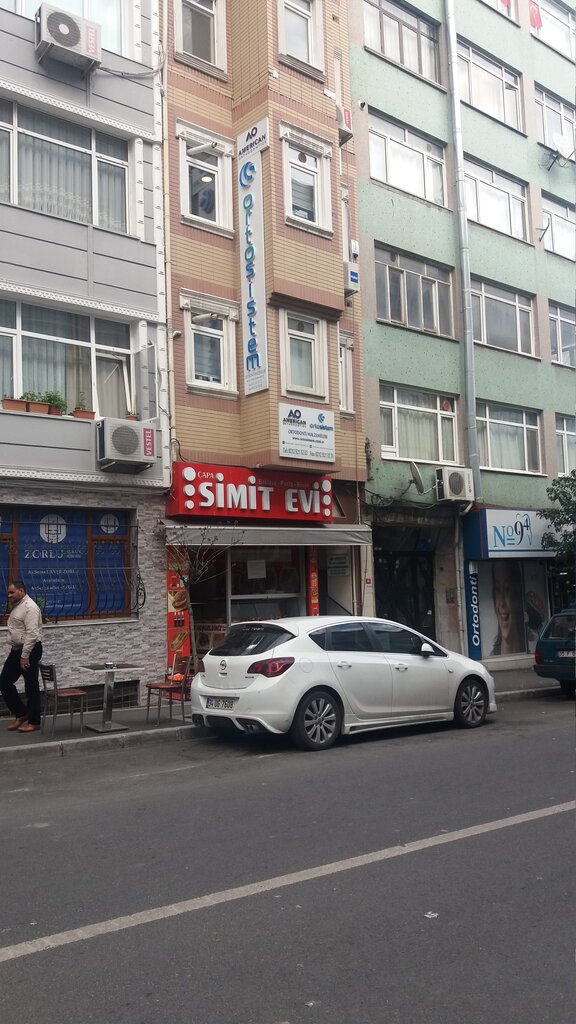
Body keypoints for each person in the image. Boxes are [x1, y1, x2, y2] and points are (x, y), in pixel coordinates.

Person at [0, 580, 43, 733]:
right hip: (17, 649)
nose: (9, 595)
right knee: (4, 682)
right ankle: (22, 713)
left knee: (31, 686)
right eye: (8, 592)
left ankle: (34, 721)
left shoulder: (30, 607)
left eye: (12, 592)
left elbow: (32, 634)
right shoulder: (17, 606)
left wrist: (25, 656)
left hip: (29, 650)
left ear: (22, 591)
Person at [489, 561, 525, 656]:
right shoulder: (492, 656)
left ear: (517, 595)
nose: (502, 603)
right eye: (497, 589)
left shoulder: (529, 648)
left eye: (507, 589)